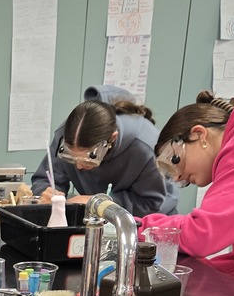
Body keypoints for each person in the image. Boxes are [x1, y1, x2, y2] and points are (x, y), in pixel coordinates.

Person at [138, 90, 234, 282]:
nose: (178, 176)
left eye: (174, 159)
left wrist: (139, 228)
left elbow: (202, 233)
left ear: (199, 134)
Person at [31, 85, 177, 216]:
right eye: (71, 158)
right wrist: (46, 192)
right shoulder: (67, 134)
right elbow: (44, 179)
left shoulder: (145, 146)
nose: (79, 167)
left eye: (89, 158)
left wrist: (98, 202)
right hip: (97, 218)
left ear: (112, 139)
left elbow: (150, 204)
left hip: (150, 224)